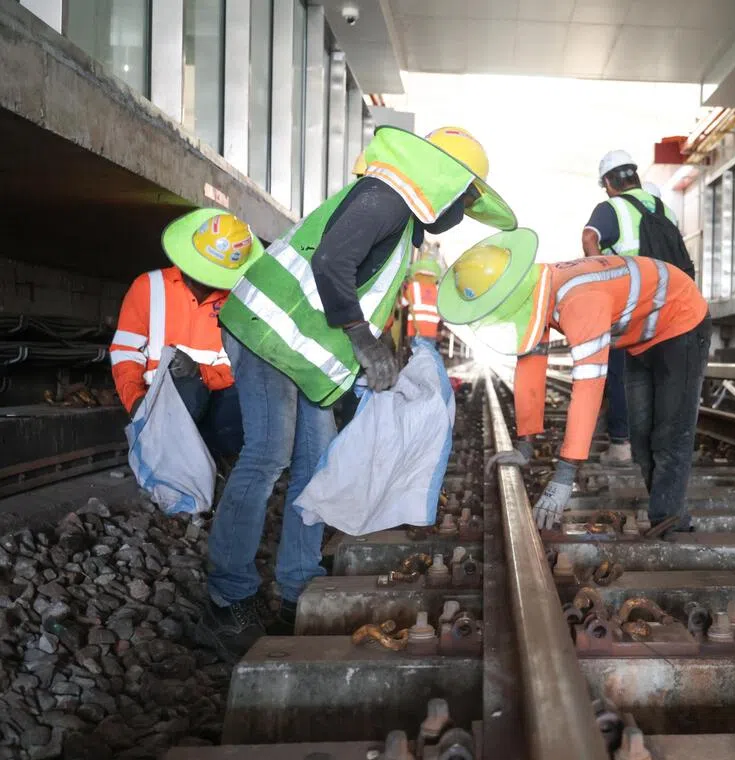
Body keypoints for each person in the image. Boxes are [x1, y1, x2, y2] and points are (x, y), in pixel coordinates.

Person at [196, 125, 516, 660]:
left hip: (299, 353)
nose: (461, 210)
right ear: (443, 182)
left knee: (318, 465)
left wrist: (375, 358)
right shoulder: (385, 195)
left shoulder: (403, 222)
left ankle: (297, 587)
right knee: (268, 455)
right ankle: (227, 597)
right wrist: (365, 344)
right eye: (463, 197)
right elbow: (329, 264)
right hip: (268, 332)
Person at [439, 229, 711, 538]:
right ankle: (667, 509)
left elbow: (588, 386)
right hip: (643, 335)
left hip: (682, 322)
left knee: (670, 431)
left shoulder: (579, 300)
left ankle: (671, 520)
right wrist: (525, 444)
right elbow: (530, 365)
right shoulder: (535, 293)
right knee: (642, 430)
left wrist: (564, 476)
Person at [110, 209, 262, 457]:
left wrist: (201, 372)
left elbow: (243, 367)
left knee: (249, 400)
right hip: (159, 401)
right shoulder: (148, 287)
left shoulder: (238, 305)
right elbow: (125, 352)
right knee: (187, 393)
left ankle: (219, 463)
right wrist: (136, 401)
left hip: (216, 401)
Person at [580, 150, 682, 466]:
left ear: (609, 182)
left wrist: (601, 280)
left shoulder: (613, 207)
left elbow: (588, 238)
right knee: (662, 375)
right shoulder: (666, 210)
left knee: (621, 373)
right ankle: (660, 447)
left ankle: (622, 444)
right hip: (667, 302)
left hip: (629, 302)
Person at [400, 258, 443, 343]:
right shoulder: (438, 290)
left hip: (415, 330)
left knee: (415, 354)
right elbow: (441, 314)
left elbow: (402, 303)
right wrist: (439, 330)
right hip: (431, 332)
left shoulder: (413, 287)